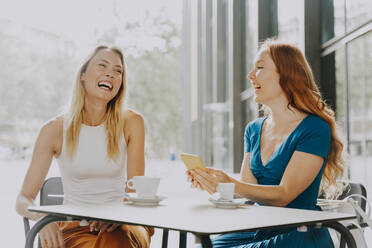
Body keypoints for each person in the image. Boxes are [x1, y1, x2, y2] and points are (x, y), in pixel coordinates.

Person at [188, 40, 345, 248]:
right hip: (259, 228)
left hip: (299, 234)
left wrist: (230, 184)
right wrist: (214, 182)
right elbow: (248, 190)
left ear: (287, 74)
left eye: (260, 68)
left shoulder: (314, 128)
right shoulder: (254, 130)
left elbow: (284, 195)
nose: (251, 75)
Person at [16, 46, 154, 248]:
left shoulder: (132, 122)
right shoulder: (54, 130)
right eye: (102, 65)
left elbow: (135, 192)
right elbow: (23, 199)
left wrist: (118, 215)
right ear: (82, 75)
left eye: (118, 71)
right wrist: (42, 216)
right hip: (76, 229)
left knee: (117, 237)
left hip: (126, 223)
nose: (111, 73)